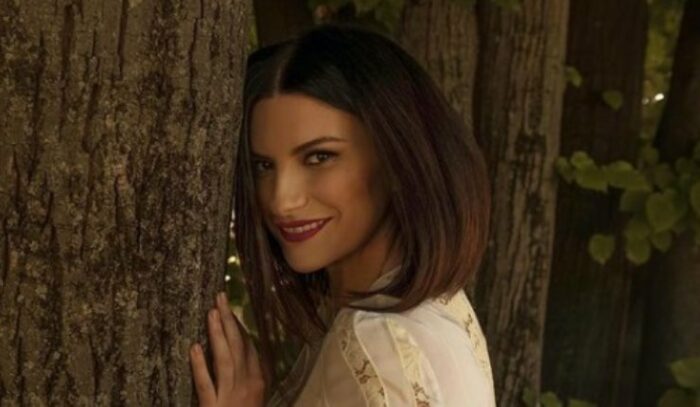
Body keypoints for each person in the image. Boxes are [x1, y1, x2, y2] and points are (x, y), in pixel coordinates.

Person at [189, 23, 495, 406]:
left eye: (319, 157)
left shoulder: (377, 346)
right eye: (263, 166)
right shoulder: (438, 310)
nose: (282, 200)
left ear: (398, 159)